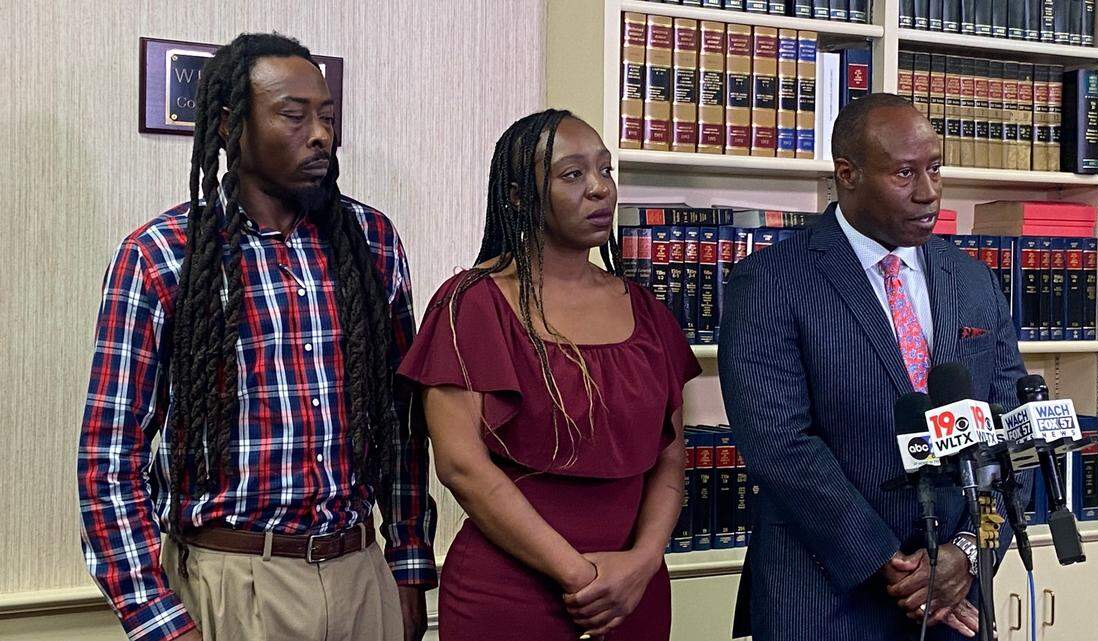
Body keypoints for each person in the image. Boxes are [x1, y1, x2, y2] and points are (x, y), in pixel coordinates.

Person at [78, 33, 435, 641]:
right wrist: (156, 619)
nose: (321, 134)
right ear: (229, 126)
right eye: (294, 116)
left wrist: (406, 568)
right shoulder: (161, 257)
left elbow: (401, 425)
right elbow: (110, 457)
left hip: (361, 576)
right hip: (231, 582)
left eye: (327, 116)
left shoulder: (372, 243)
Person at [719, 93, 1027, 641]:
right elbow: (778, 443)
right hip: (823, 598)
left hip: (956, 597)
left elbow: (1010, 435)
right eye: (904, 174)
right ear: (848, 174)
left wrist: (965, 553)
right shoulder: (769, 282)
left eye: (934, 168)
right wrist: (896, 566)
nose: (929, 193)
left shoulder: (974, 281)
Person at [397, 109, 700, 640]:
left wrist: (644, 561)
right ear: (517, 197)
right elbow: (461, 466)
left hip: (633, 593)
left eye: (605, 171)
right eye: (573, 174)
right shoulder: (472, 303)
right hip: (513, 596)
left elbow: (671, 459)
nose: (600, 189)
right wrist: (582, 577)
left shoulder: (649, 313)